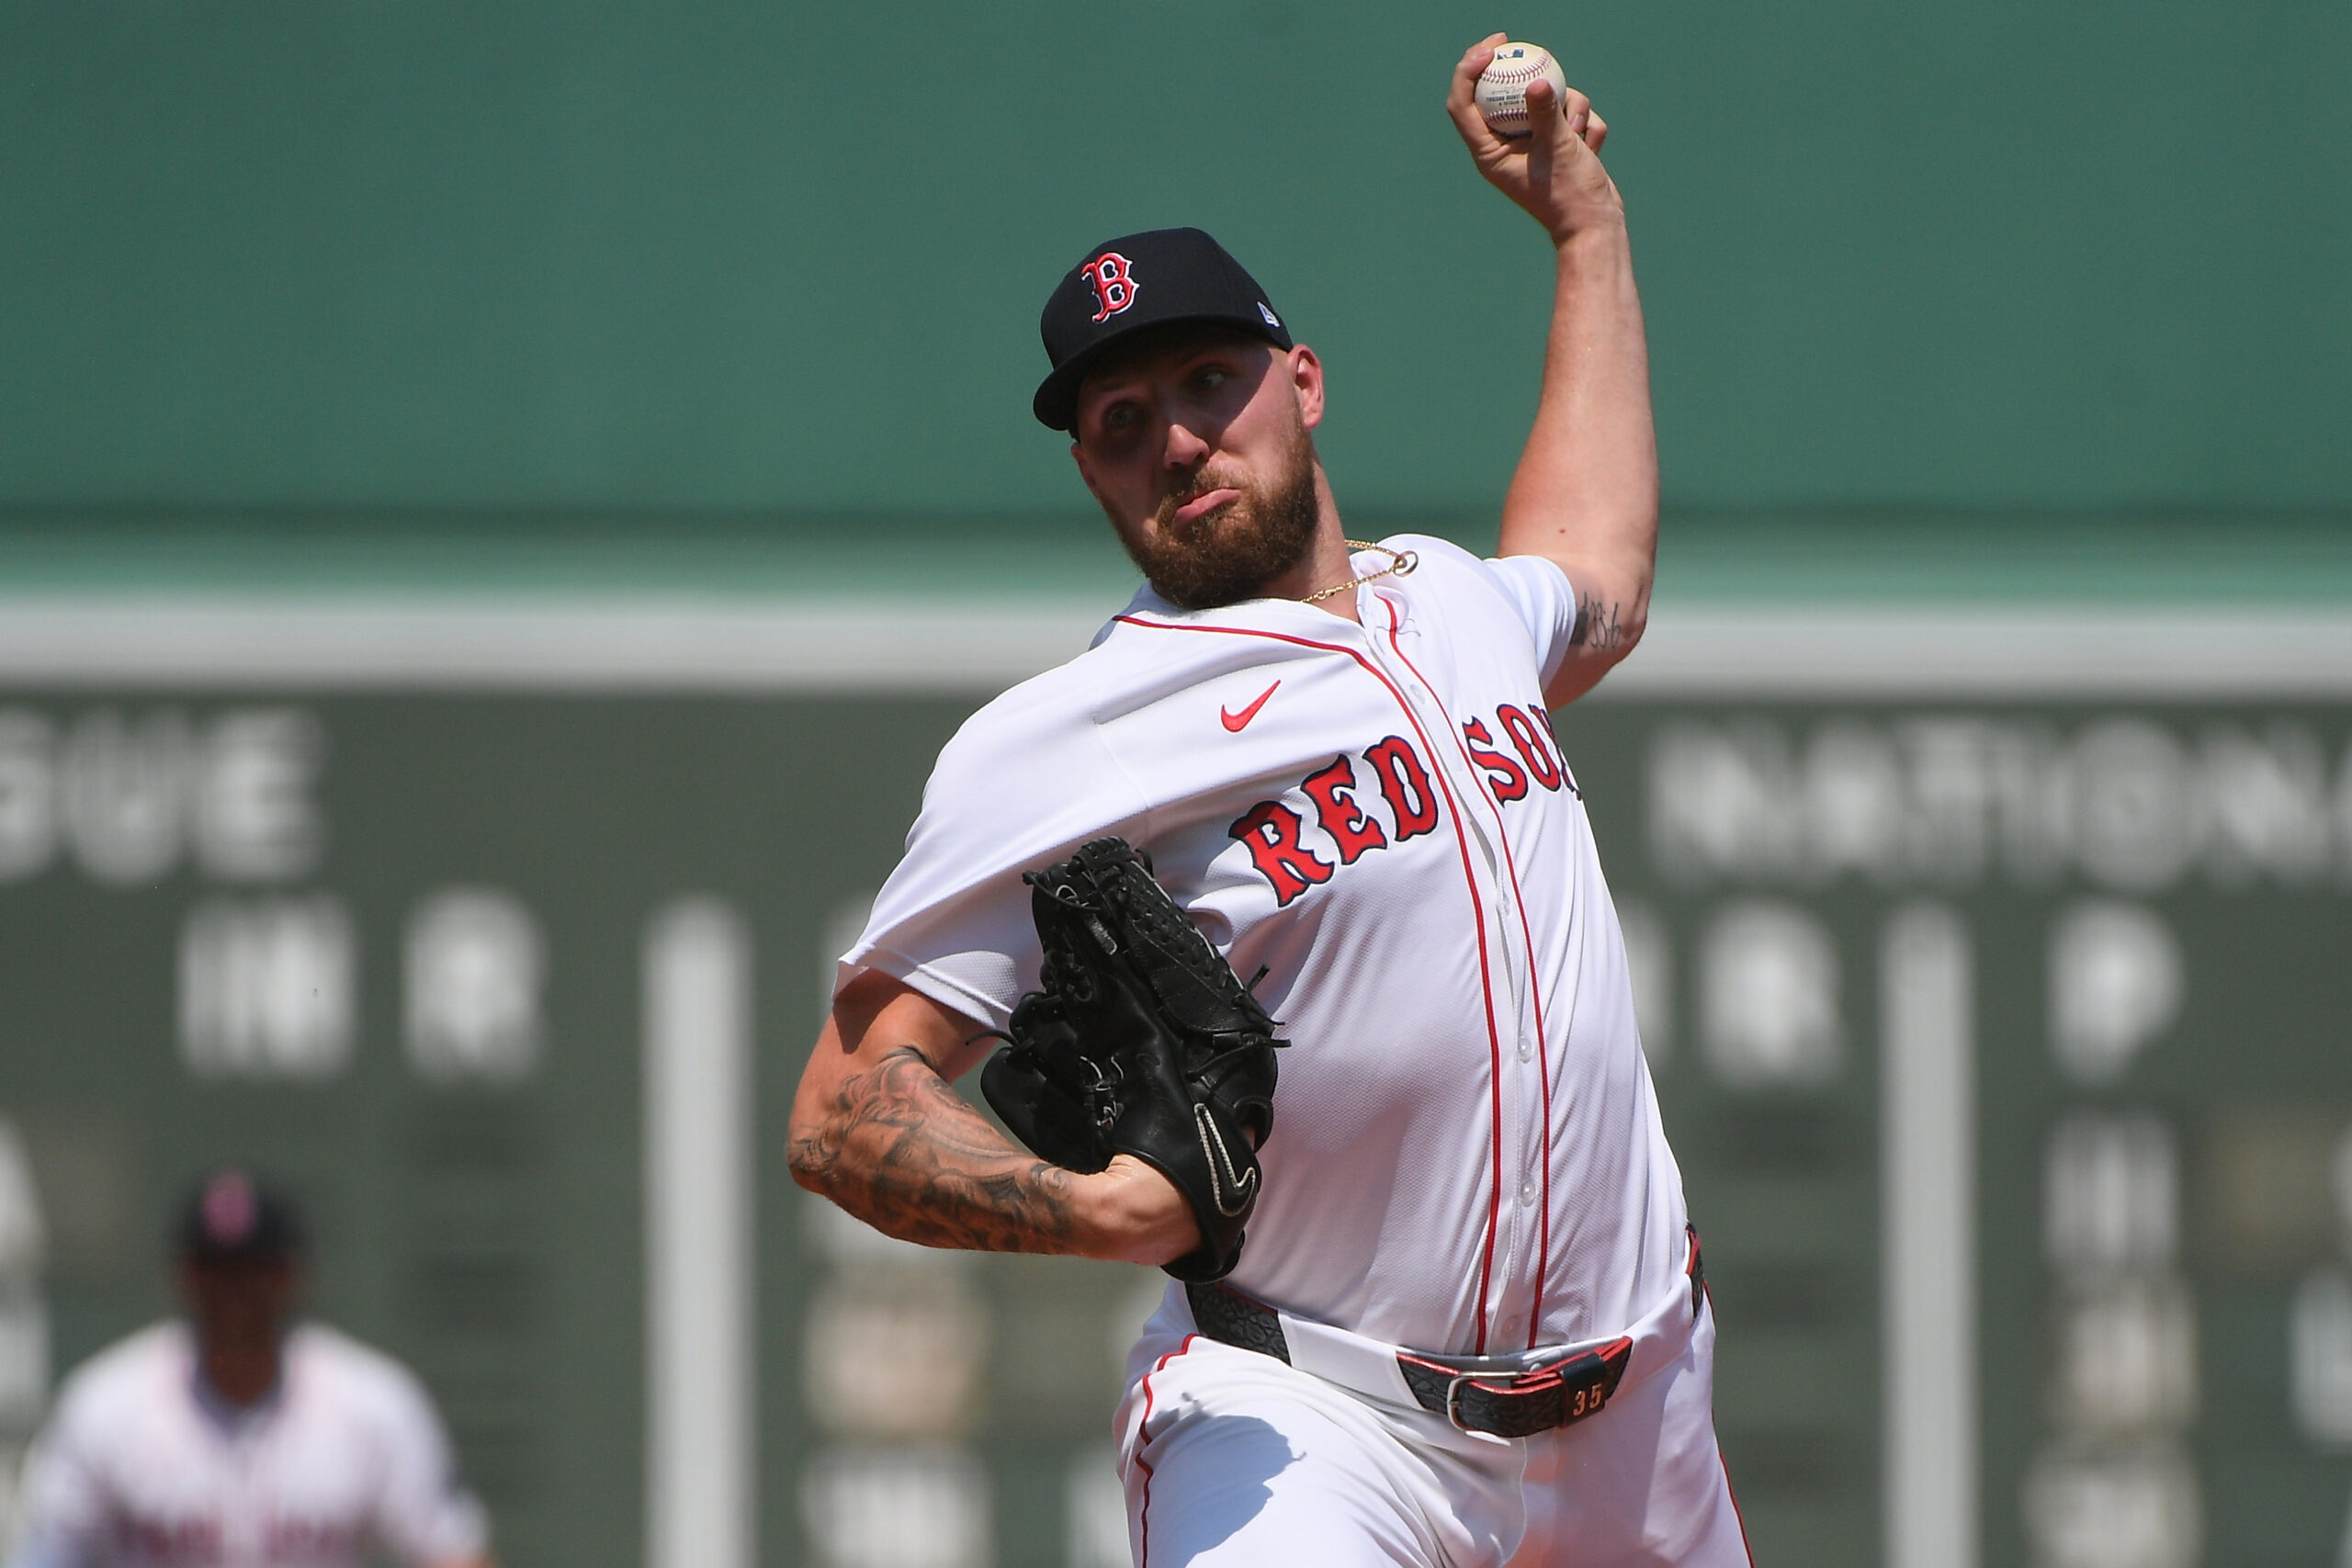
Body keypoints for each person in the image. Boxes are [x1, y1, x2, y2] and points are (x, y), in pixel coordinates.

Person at [789, 36, 1749, 1567]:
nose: (1175, 434)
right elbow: (844, 1109)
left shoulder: (1447, 600)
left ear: (1299, 382)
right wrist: (1093, 1208)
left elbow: (1603, 574)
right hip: (1314, 1417)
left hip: (1641, 1411)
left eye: (1208, 379)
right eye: (1121, 425)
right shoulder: (1067, 740)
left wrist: (1588, 233)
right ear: (1098, 482)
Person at [5, 1171, 492, 1568]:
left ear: (290, 1276)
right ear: (185, 1276)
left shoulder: (369, 1401)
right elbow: (47, 1556)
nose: (236, 1289)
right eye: (217, 1268)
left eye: (255, 1269)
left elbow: (452, 1551)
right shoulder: (107, 1404)